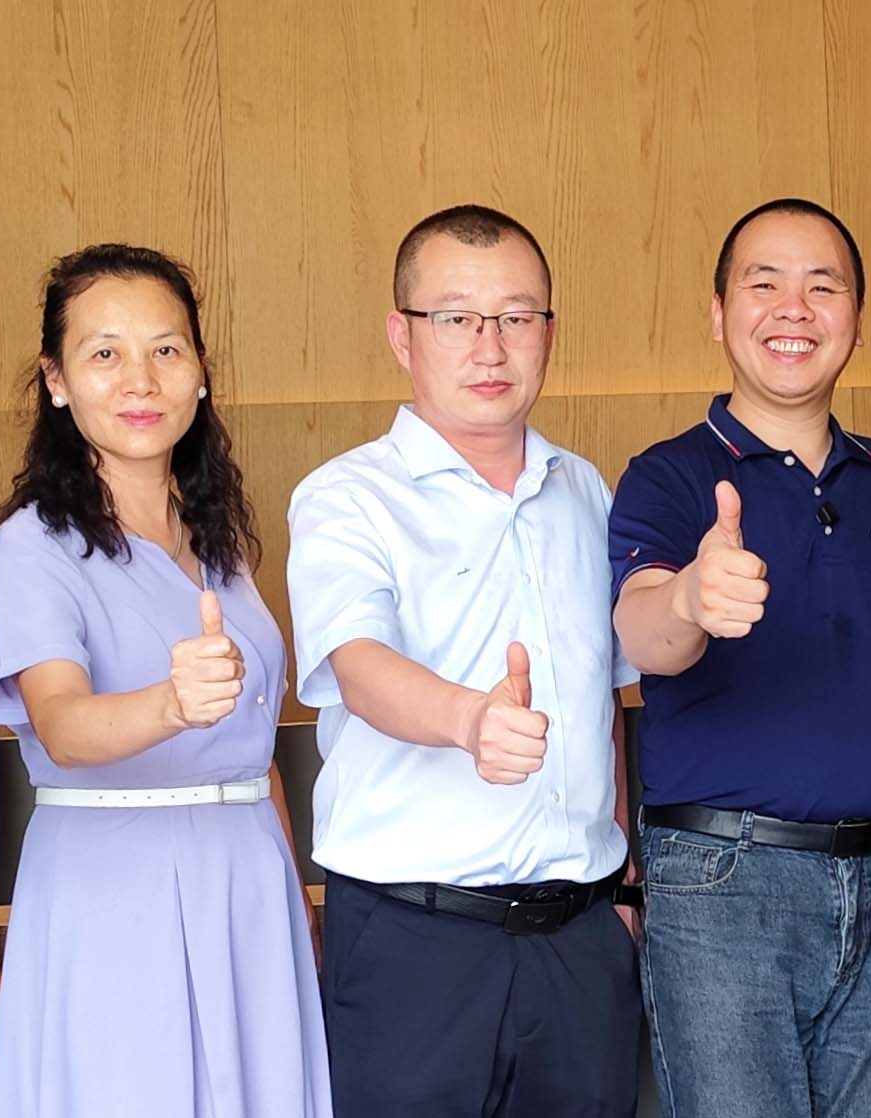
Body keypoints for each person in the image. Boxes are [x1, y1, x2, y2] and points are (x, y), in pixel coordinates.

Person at [288, 204, 640, 1116]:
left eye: (516, 317)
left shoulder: (585, 490)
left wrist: (622, 890)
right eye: (456, 318)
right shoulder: (346, 497)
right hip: (416, 941)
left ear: (548, 332)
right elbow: (357, 663)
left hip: (580, 937)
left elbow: (603, 701)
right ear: (401, 335)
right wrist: (469, 719)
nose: (491, 347)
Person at [0, 244, 331, 1116]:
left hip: (247, 879)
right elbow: (61, 724)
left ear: (200, 372)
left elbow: (253, 750)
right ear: (56, 380)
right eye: (105, 353)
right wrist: (170, 704)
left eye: (166, 349)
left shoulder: (218, 542)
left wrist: (291, 892)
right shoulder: (31, 548)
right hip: (112, 887)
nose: (140, 379)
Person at [610, 199, 871, 1117]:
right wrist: (690, 597)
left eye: (822, 286)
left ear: (857, 321)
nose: (794, 308)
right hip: (725, 886)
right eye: (764, 284)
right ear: (718, 314)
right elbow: (641, 631)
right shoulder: (669, 475)